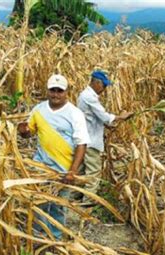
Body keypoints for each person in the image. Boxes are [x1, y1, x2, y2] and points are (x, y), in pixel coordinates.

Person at [18, 74, 90, 240]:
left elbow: (82, 144)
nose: (55, 94)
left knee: (58, 205)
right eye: (52, 90)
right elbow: (29, 133)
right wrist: (23, 131)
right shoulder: (39, 110)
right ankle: (39, 235)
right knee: (38, 201)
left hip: (63, 169)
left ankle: (55, 238)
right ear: (47, 90)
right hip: (41, 166)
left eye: (59, 91)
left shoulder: (75, 114)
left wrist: (72, 171)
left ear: (66, 92)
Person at [77, 70, 133, 196]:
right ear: (96, 83)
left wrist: (107, 125)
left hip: (85, 138)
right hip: (90, 141)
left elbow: (92, 117)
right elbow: (103, 115)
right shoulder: (89, 97)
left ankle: (76, 195)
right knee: (93, 171)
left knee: (82, 170)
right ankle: (89, 200)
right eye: (104, 85)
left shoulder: (85, 95)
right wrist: (122, 117)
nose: (105, 89)